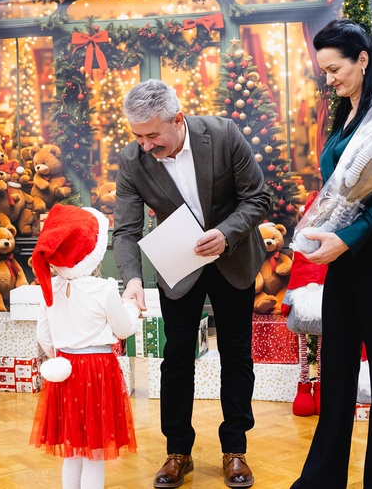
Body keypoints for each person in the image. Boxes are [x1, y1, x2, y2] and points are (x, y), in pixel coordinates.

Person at [113, 79, 271, 489]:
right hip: (179, 265)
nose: (145, 145)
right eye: (138, 136)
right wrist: (132, 280)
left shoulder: (223, 135)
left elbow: (258, 198)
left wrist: (226, 233)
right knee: (177, 356)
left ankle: (235, 449)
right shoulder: (132, 160)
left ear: (178, 119)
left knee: (236, 354)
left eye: (153, 135)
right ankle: (177, 452)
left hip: (234, 255)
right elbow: (126, 230)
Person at [290, 18, 372, 488]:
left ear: (362, 59)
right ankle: (322, 479)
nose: (328, 79)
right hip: (344, 250)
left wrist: (347, 237)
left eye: (335, 69)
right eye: (324, 71)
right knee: (337, 362)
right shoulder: (345, 112)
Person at [29, 204, 141, 489]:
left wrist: (60, 356)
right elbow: (123, 329)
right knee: (95, 450)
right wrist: (131, 308)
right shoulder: (103, 289)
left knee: (72, 449)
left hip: (65, 371)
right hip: (97, 371)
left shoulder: (50, 288)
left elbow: (44, 335)